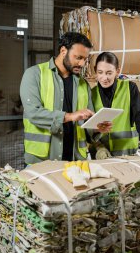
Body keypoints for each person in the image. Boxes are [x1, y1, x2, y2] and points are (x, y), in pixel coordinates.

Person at [20, 32, 111, 165]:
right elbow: (33, 113)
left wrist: (97, 129)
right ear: (63, 51)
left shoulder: (83, 84)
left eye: (85, 59)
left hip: (75, 159)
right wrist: (69, 116)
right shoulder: (34, 74)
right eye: (78, 57)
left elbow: (86, 124)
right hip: (42, 161)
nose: (82, 63)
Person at [91, 51, 140, 159]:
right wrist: (99, 147)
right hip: (102, 155)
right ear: (95, 71)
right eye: (100, 72)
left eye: (109, 73)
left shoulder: (130, 88)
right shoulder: (91, 94)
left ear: (117, 71)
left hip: (128, 153)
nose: (104, 77)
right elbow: (88, 127)